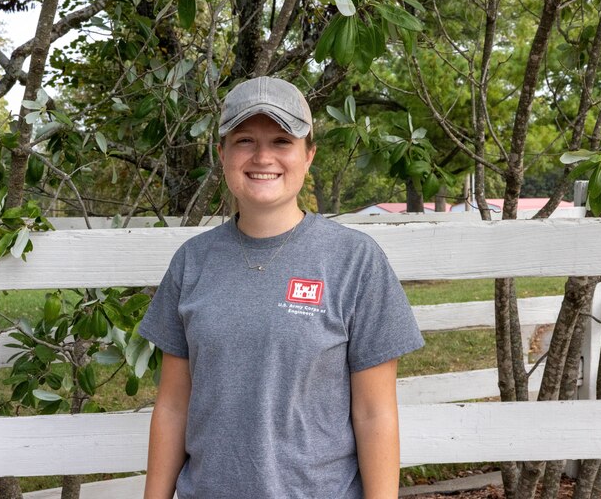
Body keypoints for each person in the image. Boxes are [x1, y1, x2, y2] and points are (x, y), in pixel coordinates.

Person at [138, 76, 424, 499]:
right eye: (245, 140)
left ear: (308, 155)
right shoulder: (192, 262)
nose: (262, 156)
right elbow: (173, 406)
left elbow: (374, 413)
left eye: (281, 141)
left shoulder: (354, 260)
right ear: (222, 154)